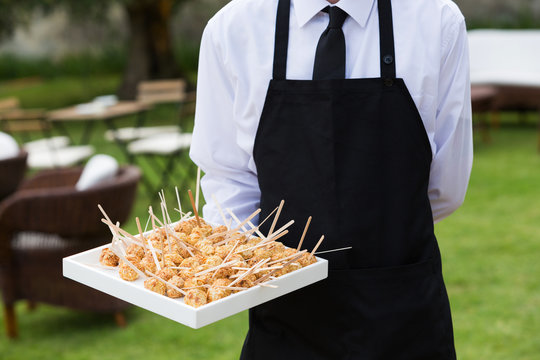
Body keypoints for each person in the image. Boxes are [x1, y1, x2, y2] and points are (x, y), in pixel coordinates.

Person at [190, 0, 472, 358]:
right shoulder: (231, 30)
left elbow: (446, 185)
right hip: (284, 320)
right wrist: (232, 269)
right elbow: (228, 179)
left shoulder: (437, 20)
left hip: (404, 316)